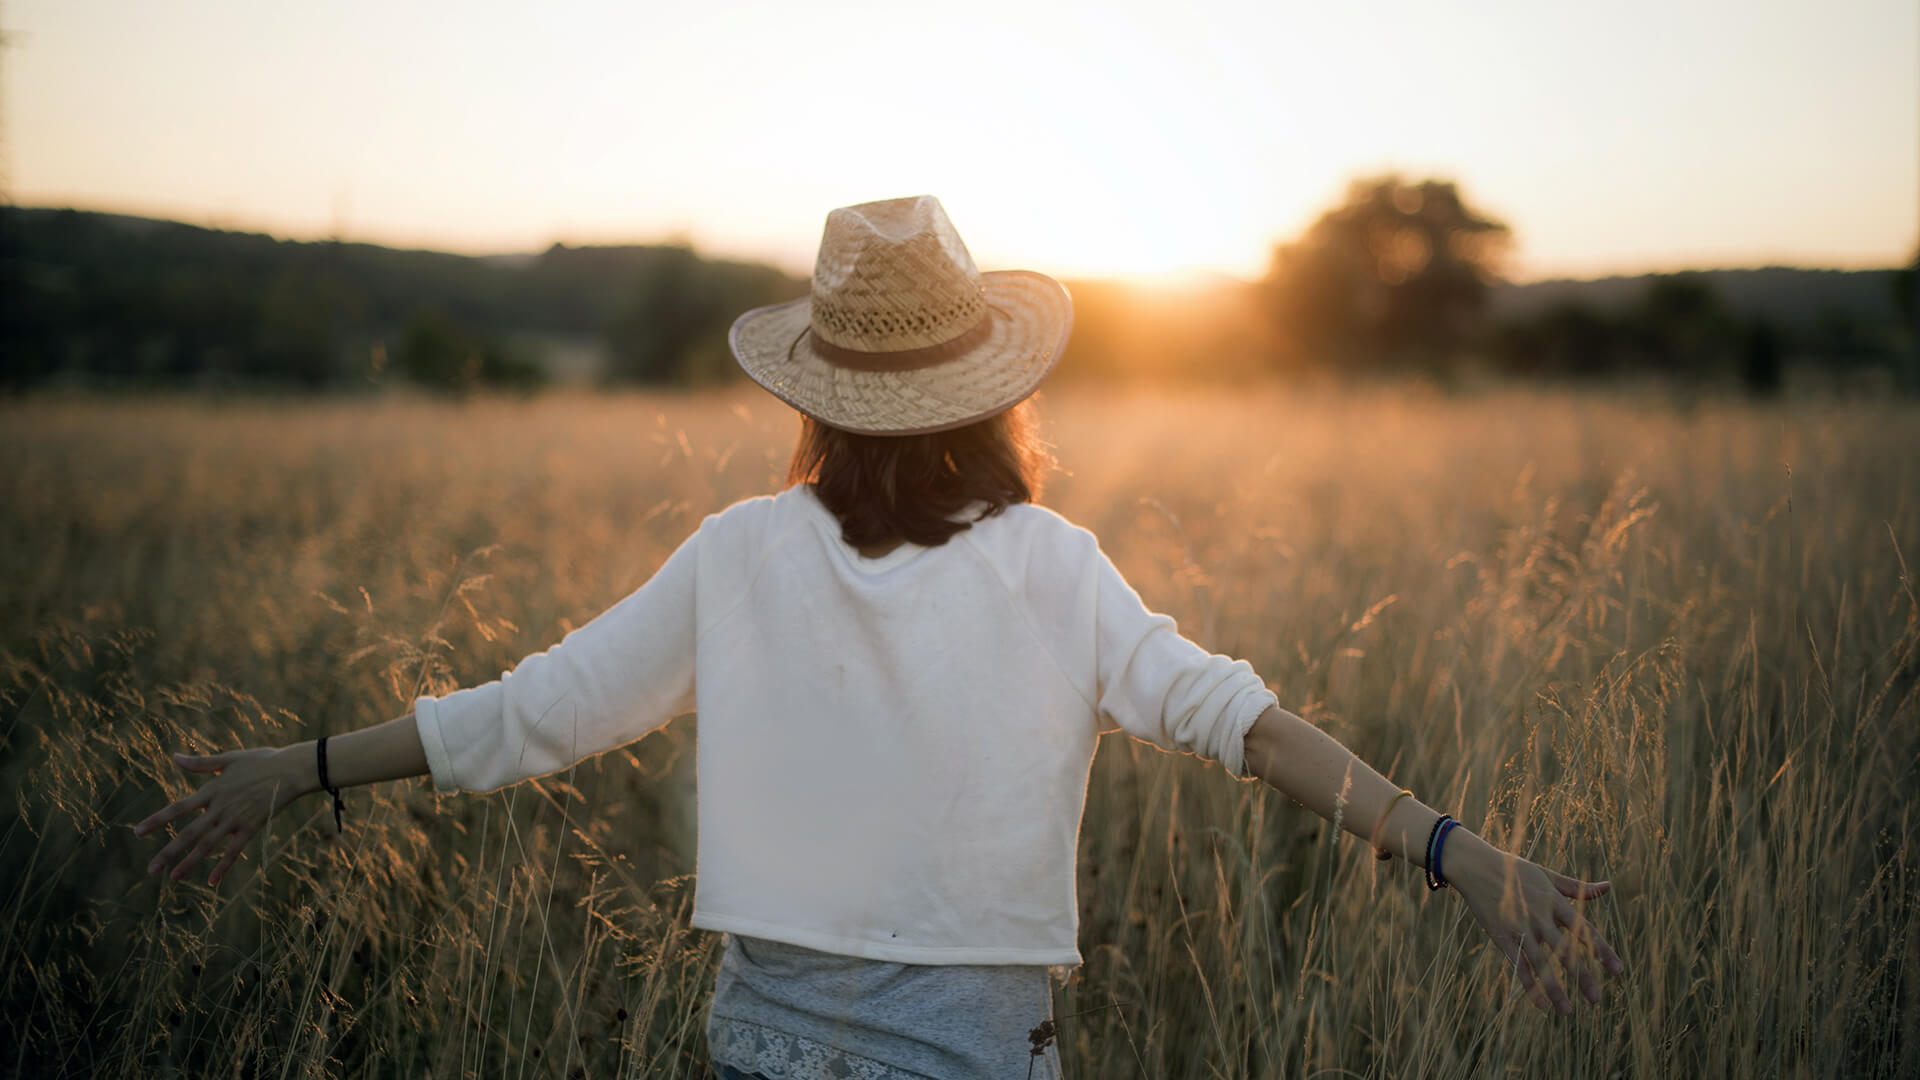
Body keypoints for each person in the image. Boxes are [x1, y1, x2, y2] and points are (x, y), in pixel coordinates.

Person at [135, 196, 1624, 1079]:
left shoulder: (737, 552)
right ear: (994, 388)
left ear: (818, 393)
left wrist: (298, 770)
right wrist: (1459, 855)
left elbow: (532, 714)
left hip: (764, 1053)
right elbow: (1251, 728)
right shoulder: (1057, 566)